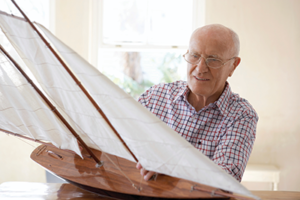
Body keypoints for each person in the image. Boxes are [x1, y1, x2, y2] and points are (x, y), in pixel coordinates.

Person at [136, 24, 258, 182]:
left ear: (233, 66)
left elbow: (226, 180)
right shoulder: (154, 97)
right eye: (194, 56)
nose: (200, 68)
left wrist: (173, 168)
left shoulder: (241, 116)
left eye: (213, 60)